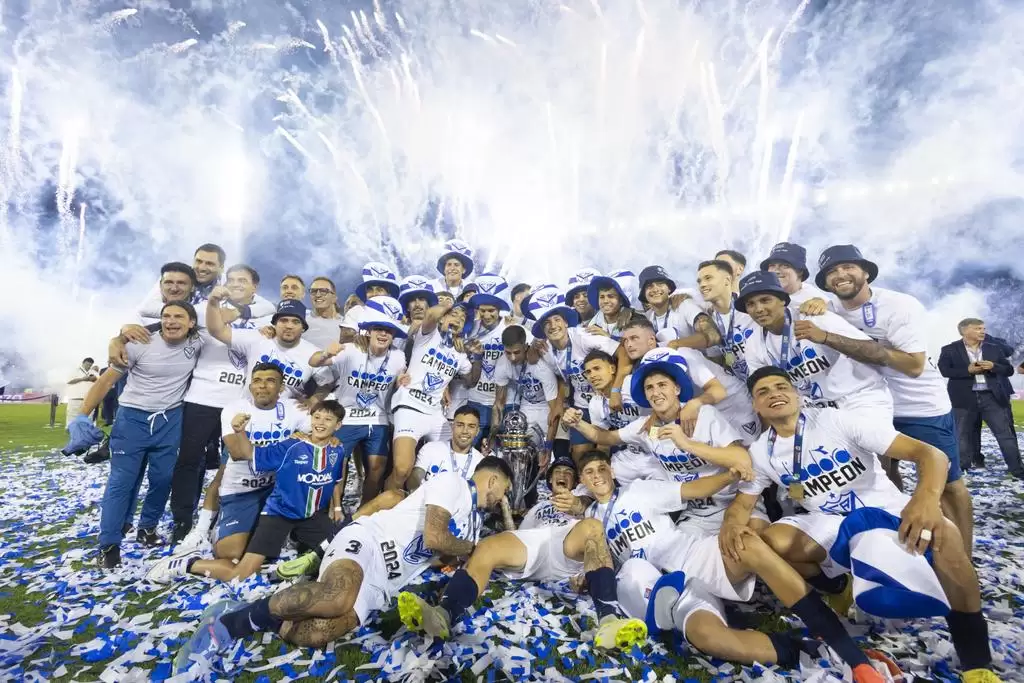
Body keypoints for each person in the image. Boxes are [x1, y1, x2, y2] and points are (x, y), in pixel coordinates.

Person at [726, 367, 1003, 683]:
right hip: (830, 521)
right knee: (773, 542)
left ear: (797, 395)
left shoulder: (837, 420)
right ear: (755, 406)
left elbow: (931, 454)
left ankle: (976, 663)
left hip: (882, 509)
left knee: (947, 536)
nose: (774, 394)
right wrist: (731, 525)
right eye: (763, 392)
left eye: (781, 387)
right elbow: (743, 504)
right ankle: (839, 588)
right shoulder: (761, 451)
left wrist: (926, 499)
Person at [564, 449, 886, 682]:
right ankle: (810, 650)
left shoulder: (639, 491)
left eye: (602, 468)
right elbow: (597, 563)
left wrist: (729, 476)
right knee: (710, 640)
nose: (597, 475)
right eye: (589, 472)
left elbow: (692, 489)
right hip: (661, 588)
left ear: (612, 471)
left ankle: (850, 653)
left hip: (690, 556)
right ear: (583, 481)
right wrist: (583, 578)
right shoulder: (590, 523)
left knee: (747, 545)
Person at [174, 459, 512, 669]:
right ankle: (230, 623)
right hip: (369, 542)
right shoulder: (454, 484)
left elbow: (439, 555)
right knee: (337, 596)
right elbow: (435, 537)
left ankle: (263, 613)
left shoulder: (471, 521)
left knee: (318, 632)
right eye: (503, 492)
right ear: (494, 480)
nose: (500, 501)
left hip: (384, 582)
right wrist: (471, 548)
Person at [814, 245, 975, 553]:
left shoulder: (899, 305)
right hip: (866, 405)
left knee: (947, 483)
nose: (840, 275)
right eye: (831, 272)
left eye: (847, 267)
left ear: (866, 272)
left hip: (917, 406)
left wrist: (839, 340)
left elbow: (914, 365)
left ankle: (963, 556)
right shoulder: (828, 308)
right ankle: (898, 546)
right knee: (884, 479)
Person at [398, 456, 648, 651]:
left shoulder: (586, 496)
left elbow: (587, 513)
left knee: (592, 527)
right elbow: (517, 534)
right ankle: (443, 614)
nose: (562, 475)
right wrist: (506, 511)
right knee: (488, 546)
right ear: (549, 479)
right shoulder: (538, 507)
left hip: (568, 543)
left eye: (568, 472)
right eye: (557, 472)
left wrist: (576, 505)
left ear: (577, 480)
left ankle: (609, 623)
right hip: (535, 541)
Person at [147, 400, 347, 584]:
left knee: (341, 557)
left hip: (311, 517)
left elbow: (336, 481)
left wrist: (337, 507)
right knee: (241, 574)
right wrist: (240, 431)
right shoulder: (291, 446)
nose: (320, 423)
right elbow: (248, 453)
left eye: (328, 419)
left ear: (338, 425)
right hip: (279, 515)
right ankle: (188, 564)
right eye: (317, 417)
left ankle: (297, 552)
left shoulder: (337, 450)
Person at [71, 301, 204, 568]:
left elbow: (225, 325)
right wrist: (82, 415)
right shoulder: (138, 344)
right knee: (121, 482)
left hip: (169, 420)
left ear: (191, 323)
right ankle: (109, 545)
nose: (171, 321)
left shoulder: (199, 342)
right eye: (166, 316)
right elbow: (106, 381)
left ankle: (147, 528)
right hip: (132, 420)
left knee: (163, 479)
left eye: (179, 317)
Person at [565, 349, 759, 524]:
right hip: (693, 514)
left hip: (732, 502)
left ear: (677, 389)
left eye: (662, 385)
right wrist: (578, 423)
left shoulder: (705, 415)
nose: (656, 392)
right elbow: (605, 437)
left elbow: (742, 459)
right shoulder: (645, 426)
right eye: (649, 388)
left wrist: (687, 444)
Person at [164, 363, 311, 560]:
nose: (262, 386)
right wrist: (290, 444)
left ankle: (289, 530)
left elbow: (320, 439)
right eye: (257, 381)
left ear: (281, 388)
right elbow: (238, 452)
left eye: (270, 381)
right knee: (230, 553)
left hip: (276, 490)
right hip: (241, 489)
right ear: (250, 386)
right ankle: (204, 530)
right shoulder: (235, 408)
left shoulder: (294, 408)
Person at [737, 271, 893, 413]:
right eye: (750, 304)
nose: (758, 309)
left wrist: (826, 337)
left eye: (765, 300)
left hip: (858, 399)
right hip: (815, 410)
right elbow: (762, 391)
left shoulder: (815, 318)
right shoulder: (753, 344)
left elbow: (879, 355)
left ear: (782, 300)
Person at [312, 297, 408, 502]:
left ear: (393, 336)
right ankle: (334, 509)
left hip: (378, 419)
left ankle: (364, 511)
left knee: (376, 468)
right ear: (369, 331)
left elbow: (400, 378)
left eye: (389, 331)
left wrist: (401, 381)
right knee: (336, 465)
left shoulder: (398, 357)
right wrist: (325, 353)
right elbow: (315, 365)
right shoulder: (350, 349)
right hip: (346, 418)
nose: (383, 334)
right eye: (379, 329)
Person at [386, 300, 483, 490]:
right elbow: (430, 315)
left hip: (435, 413)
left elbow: (471, 381)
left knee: (454, 458)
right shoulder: (429, 334)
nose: (458, 319)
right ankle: (388, 502)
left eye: (462, 318)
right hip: (410, 408)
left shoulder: (459, 353)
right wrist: (448, 306)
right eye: (454, 314)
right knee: (402, 470)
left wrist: (478, 358)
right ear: (443, 317)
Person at [528, 290, 621, 462]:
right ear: (542, 329)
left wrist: (616, 390)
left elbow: (622, 352)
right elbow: (561, 378)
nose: (553, 326)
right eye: (547, 323)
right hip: (581, 406)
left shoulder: (584, 337)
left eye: (557, 320)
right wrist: (559, 405)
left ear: (565, 322)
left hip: (607, 402)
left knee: (605, 454)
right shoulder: (546, 351)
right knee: (579, 455)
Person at [938, 318, 1023, 478]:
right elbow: (945, 371)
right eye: (978, 328)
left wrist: (994, 366)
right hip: (964, 399)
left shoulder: (993, 348)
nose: (983, 331)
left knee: (1006, 435)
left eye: (983, 328)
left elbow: (1009, 370)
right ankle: (961, 469)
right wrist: (968, 370)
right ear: (964, 331)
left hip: (992, 398)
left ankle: (1018, 470)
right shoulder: (949, 349)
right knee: (962, 436)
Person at [206, 293, 328, 402]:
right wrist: (212, 302)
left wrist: (313, 401)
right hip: (249, 412)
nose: (289, 326)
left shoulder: (313, 353)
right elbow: (217, 331)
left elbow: (328, 383)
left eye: (296, 322)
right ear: (274, 324)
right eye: (283, 320)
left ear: (303, 328)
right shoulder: (259, 339)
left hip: (287, 416)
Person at [669, 260, 755, 384]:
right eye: (699, 281)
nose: (702, 285)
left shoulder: (750, 308)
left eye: (708, 278)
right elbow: (717, 357)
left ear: (727, 280)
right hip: (745, 384)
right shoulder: (710, 319)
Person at [491, 324, 561, 464]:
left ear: (525, 346)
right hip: (526, 405)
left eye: (516, 352)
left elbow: (554, 411)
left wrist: (548, 447)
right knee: (520, 454)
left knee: (545, 455)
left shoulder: (541, 367)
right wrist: (492, 435)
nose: (512, 358)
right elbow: (498, 404)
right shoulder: (502, 363)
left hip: (546, 405)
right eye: (508, 352)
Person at [464, 274, 512, 446]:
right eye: (482, 310)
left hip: (506, 402)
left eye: (491, 310)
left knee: (499, 452)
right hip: (476, 399)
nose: (486, 315)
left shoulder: (511, 328)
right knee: (471, 449)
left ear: (499, 309)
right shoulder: (470, 329)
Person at [408, 405, 485, 490]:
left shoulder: (481, 462)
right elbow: (416, 477)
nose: (464, 431)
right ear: (452, 427)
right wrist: (415, 491)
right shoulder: (430, 448)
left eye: (471, 426)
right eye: (460, 425)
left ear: (477, 431)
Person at [638, 265, 704, 340]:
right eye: (649, 286)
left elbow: (709, 335)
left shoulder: (683, 304)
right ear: (644, 293)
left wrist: (674, 344)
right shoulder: (646, 318)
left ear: (669, 288)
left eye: (660, 284)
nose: (655, 289)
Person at [340, 262, 401, 342]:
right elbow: (344, 339)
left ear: (389, 294)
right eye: (370, 290)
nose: (374, 294)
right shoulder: (356, 311)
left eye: (379, 290)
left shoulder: (396, 315)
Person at [759, 242, 827, 307]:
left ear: (800, 271)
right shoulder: (759, 294)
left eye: (785, 265)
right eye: (772, 265)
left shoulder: (816, 303)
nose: (776, 271)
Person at [586, 270, 639, 340]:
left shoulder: (636, 320)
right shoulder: (591, 323)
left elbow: (639, 344)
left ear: (621, 301)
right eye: (602, 297)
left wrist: (609, 337)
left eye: (611, 296)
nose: (605, 301)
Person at [304, 276, 344, 350]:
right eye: (313, 291)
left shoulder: (346, 324)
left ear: (334, 297)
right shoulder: (302, 322)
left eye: (323, 291)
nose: (318, 295)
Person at [64, 358, 98, 427]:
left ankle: (87, 429)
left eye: (90, 365)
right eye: (87, 364)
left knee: (89, 415)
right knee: (72, 415)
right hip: (75, 397)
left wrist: (94, 379)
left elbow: (99, 381)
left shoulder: (94, 372)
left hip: (89, 398)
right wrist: (82, 379)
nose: (88, 366)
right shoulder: (75, 371)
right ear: (83, 363)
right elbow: (68, 381)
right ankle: (71, 429)